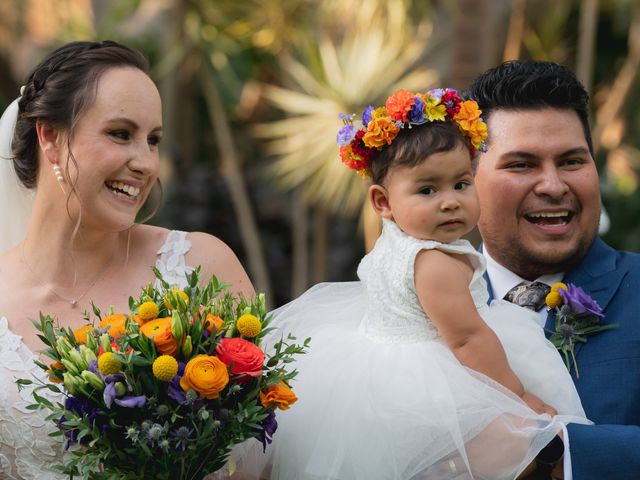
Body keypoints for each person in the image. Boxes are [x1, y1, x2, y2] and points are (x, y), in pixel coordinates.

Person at [235, 88, 589, 480]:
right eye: (427, 190)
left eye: (461, 184)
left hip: (370, 368)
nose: (449, 201)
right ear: (382, 202)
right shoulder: (435, 261)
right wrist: (520, 399)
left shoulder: (400, 242)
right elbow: (468, 340)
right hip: (426, 379)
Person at [0, 40, 254, 479]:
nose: (146, 163)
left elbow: (261, 458)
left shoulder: (202, 267)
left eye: (153, 139)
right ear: (50, 137)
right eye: (121, 134)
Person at [466, 60, 640, 480]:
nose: (553, 185)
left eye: (571, 161)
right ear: (466, 181)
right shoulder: (422, 313)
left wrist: (558, 456)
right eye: (521, 164)